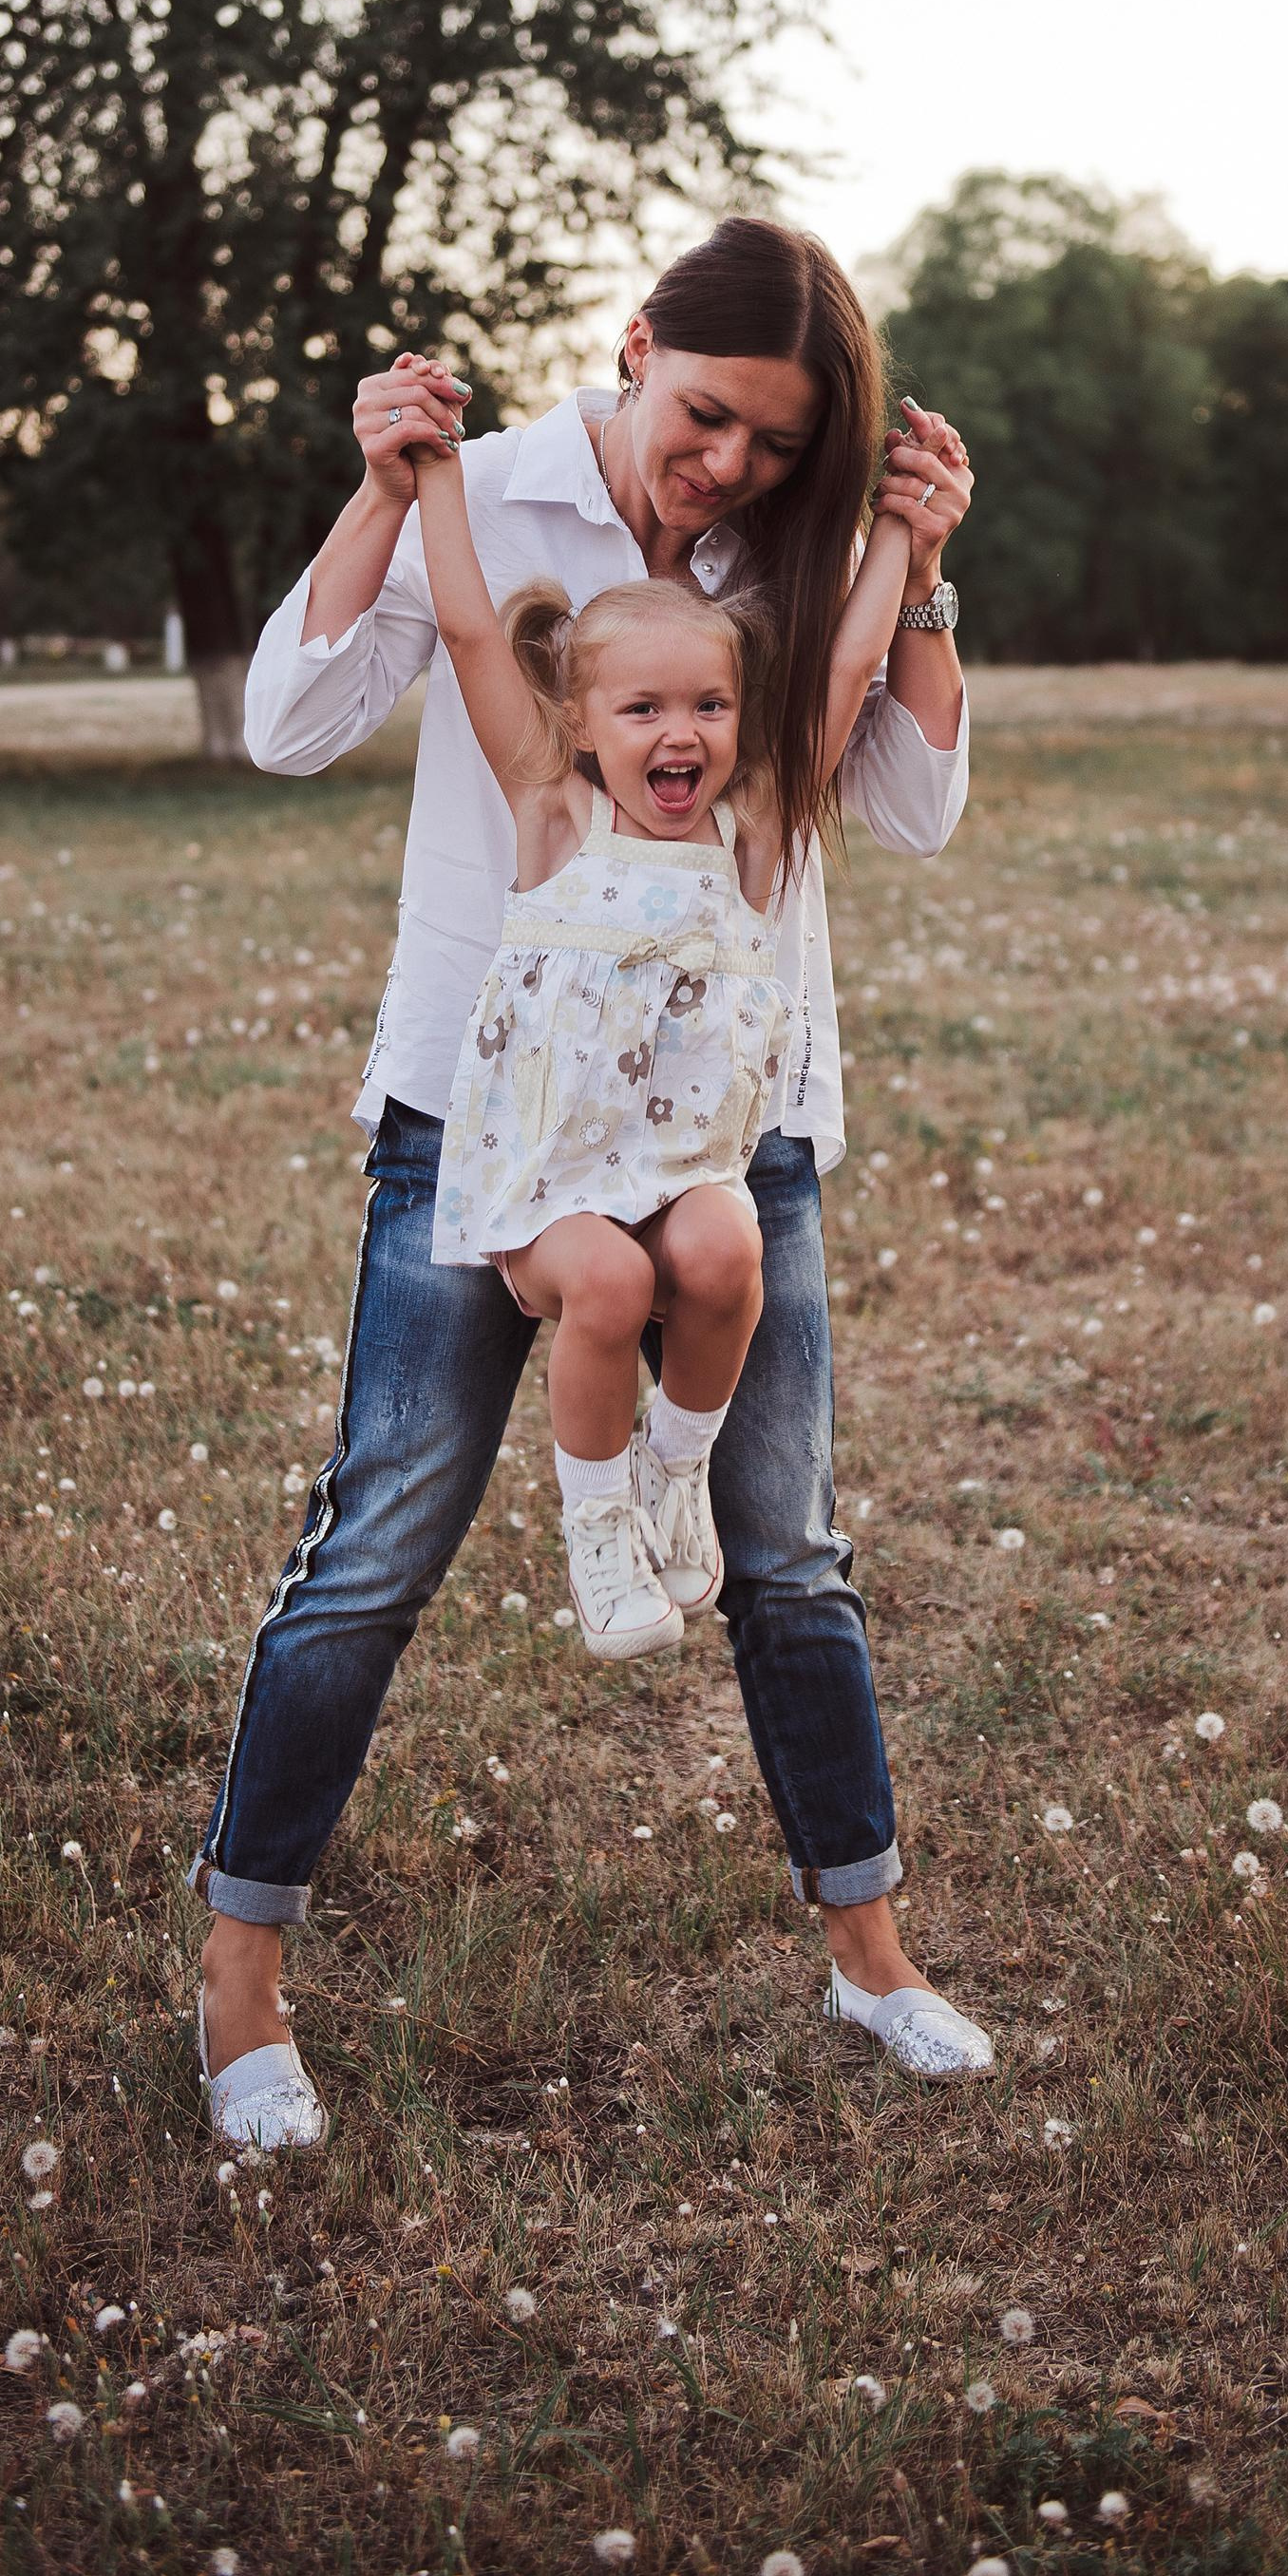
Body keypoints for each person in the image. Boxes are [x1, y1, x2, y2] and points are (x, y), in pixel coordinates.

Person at [191, 218, 990, 2153]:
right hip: (491, 1125)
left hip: (733, 1125)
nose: (727, 468)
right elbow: (286, 726)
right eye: (706, 416)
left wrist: (920, 569)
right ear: (634, 348)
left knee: (786, 1554)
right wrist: (385, 493)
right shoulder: (491, 501)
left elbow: (909, 807)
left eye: (776, 447)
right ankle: (238, 1998)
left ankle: (868, 1954)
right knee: (374, 1541)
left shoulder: (786, 571)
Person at [405, 393, 920, 1661]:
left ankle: (672, 1472)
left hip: (682, 1165)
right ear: (580, 724)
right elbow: (471, 628)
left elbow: (849, 670)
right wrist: (433, 478)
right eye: (641, 710)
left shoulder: (750, 841)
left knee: (728, 1243)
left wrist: (904, 532)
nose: (678, 731)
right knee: (618, 1276)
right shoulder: (556, 815)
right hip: (552, 1183)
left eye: (705, 704)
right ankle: (595, 1526)